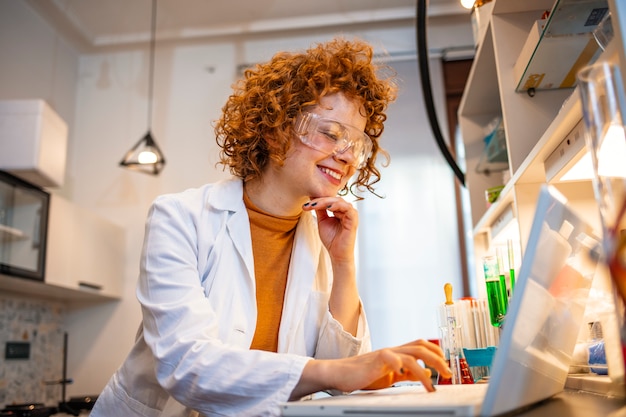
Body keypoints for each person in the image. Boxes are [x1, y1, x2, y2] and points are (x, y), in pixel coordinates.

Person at [90, 37, 452, 417]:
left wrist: (343, 263)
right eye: (331, 134)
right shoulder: (179, 218)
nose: (346, 155)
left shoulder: (321, 238)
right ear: (275, 128)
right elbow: (186, 364)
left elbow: (342, 377)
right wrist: (341, 372)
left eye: (356, 144)